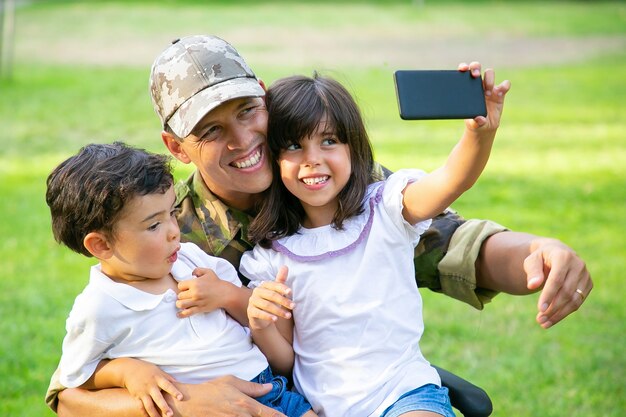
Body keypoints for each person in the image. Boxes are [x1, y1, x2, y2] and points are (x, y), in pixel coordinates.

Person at [48, 35, 592, 417]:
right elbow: (72, 395)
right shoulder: (167, 236)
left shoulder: (329, 185)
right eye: (210, 131)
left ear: (263, 95)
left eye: (246, 111)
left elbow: (450, 244)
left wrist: (539, 254)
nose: (242, 140)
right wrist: (183, 406)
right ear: (176, 148)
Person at [239, 72, 509, 417]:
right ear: (274, 161)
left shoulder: (387, 209)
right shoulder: (273, 257)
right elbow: (286, 361)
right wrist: (259, 323)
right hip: (323, 409)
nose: (312, 159)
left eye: (329, 141)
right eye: (294, 146)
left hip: (404, 394)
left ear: (354, 147)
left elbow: (450, 181)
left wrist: (478, 134)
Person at [45, 142, 316, 417]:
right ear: (101, 245)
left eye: (173, 213)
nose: (175, 231)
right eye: (153, 225)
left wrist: (225, 294)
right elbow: (76, 374)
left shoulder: (190, 260)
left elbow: (255, 311)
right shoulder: (99, 307)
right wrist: (125, 371)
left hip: (271, 389)